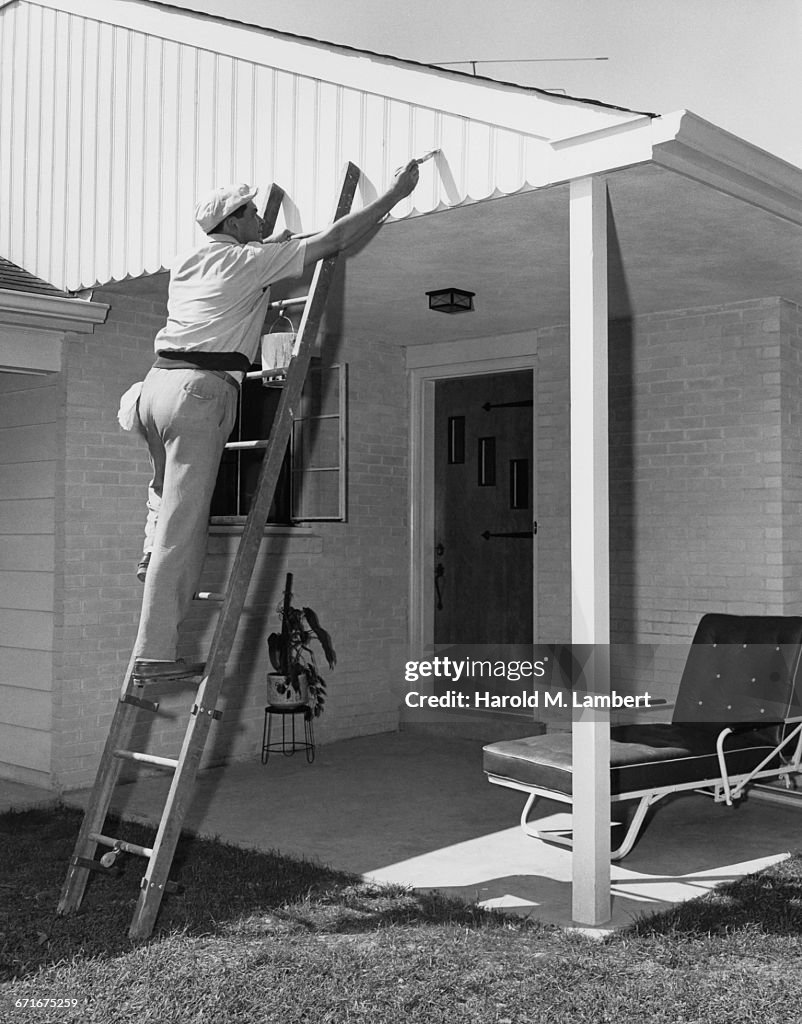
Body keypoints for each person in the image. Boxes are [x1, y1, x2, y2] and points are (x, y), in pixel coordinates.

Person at [132, 160, 420, 680]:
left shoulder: (189, 262)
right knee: (185, 524)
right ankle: (155, 654)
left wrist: (272, 244)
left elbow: (255, 257)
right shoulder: (246, 263)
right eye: (253, 215)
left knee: (162, 497)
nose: (261, 223)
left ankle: (150, 554)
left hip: (154, 390)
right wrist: (394, 195)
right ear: (238, 221)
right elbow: (335, 239)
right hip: (200, 393)